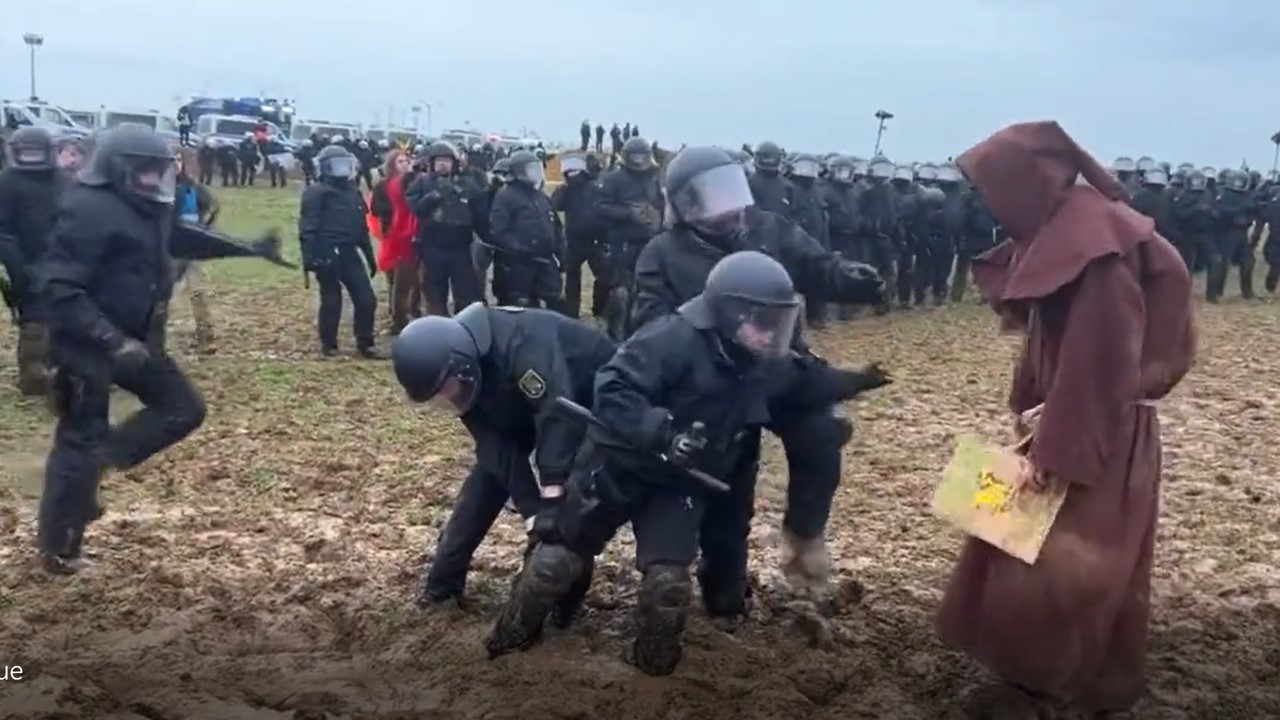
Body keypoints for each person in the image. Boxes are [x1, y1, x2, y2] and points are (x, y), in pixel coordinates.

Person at [487, 251, 867, 674]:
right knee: (555, 564)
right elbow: (612, 387)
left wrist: (854, 380)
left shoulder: (762, 363)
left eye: (778, 324)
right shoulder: (669, 339)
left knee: (668, 585)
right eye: (764, 323)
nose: (770, 336)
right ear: (729, 314)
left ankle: (652, 672)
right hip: (618, 466)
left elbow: (803, 382)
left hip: (679, 482)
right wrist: (660, 431)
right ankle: (508, 642)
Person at [935, 121, 1195, 717]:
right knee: (1023, 542)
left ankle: (1054, 688)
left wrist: (1052, 455)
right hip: (1072, 416)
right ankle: (1042, 676)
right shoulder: (1070, 226)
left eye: (993, 190)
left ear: (1025, 184)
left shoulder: (1098, 248)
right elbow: (1051, 340)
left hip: (1097, 428)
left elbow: (1100, 361)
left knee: (1071, 556)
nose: (989, 206)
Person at [630, 147, 888, 615]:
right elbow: (651, 326)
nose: (729, 207)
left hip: (783, 369)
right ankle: (723, 592)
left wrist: (850, 278)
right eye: (711, 198)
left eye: (732, 191)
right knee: (729, 493)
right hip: (716, 386)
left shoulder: (769, 228)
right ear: (683, 206)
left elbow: (816, 265)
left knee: (821, 434)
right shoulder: (661, 255)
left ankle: (805, 537)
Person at [38, 124, 292, 573]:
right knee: (78, 438)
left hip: (135, 338)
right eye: (148, 173)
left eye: (162, 173)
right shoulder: (88, 210)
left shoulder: (151, 207)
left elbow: (183, 238)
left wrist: (248, 248)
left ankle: (104, 459)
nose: (158, 182)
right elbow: (59, 289)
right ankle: (59, 547)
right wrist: (108, 339)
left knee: (182, 407)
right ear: (118, 170)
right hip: (85, 344)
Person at [390, 303, 616, 608]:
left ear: (462, 364)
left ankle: (565, 602)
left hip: (587, 403)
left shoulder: (521, 341)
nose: (448, 399)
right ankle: (443, 585)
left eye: (446, 389)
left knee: (568, 507)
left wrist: (551, 493)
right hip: (523, 403)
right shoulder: (463, 377)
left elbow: (556, 412)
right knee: (486, 481)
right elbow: (495, 447)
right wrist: (531, 510)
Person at [0, 126, 66, 395]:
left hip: (62, 262)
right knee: (34, 323)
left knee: (67, 319)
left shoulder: (64, 181)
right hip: (25, 263)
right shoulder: (6, 182)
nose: (31, 158)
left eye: (35, 153)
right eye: (26, 153)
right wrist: (17, 264)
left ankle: (63, 373)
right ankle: (34, 380)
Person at [298, 144, 379, 358]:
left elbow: (361, 228)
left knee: (366, 298)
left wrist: (370, 257)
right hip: (326, 251)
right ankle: (329, 345)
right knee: (332, 299)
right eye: (335, 166)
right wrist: (311, 259)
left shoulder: (353, 192)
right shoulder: (316, 193)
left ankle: (365, 342)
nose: (341, 171)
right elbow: (308, 228)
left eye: (344, 166)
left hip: (349, 251)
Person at [405, 142, 489, 316]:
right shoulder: (422, 182)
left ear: (455, 163)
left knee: (465, 294)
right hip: (432, 247)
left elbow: (480, 211)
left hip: (461, 248)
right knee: (434, 294)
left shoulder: (467, 184)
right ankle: (438, 329)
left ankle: (464, 328)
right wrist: (434, 197)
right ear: (432, 163)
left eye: (447, 161)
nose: (443, 164)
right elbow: (415, 208)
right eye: (439, 161)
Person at [369, 149, 421, 333]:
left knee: (408, 280)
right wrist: (392, 210)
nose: (405, 165)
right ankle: (398, 315)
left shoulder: (414, 182)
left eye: (407, 161)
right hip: (394, 233)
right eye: (400, 161)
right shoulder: (384, 186)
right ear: (392, 164)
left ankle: (406, 312)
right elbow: (375, 208)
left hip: (409, 234)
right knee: (395, 279)